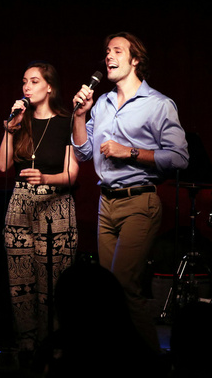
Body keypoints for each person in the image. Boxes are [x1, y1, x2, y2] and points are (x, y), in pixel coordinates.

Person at [72, 32, 189, 353]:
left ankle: (152, 364)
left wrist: (131, 152)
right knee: (110, 291)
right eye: (107, 50)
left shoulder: (158, 105)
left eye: (117, 51)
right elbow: (82, 151)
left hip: (140, 201)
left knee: (125, 284)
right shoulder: (104, 104)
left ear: (135, 59)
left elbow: (179, 157)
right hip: (105, 204)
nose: (108, 56)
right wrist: (80, 116)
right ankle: (119, 361)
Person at [0, 61, 79, 354]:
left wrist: (45, 177)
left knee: (53, 283)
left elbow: (72, 173)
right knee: (21, 283)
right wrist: (10, 130)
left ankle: (54, 345)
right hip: (20, 205)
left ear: (50, 87)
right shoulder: (21, 121)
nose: (26, 87)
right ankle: (26, 344)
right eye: (24, 82)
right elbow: (2, 165)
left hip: (55, 205)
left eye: (33, 81)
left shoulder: (66, 122)